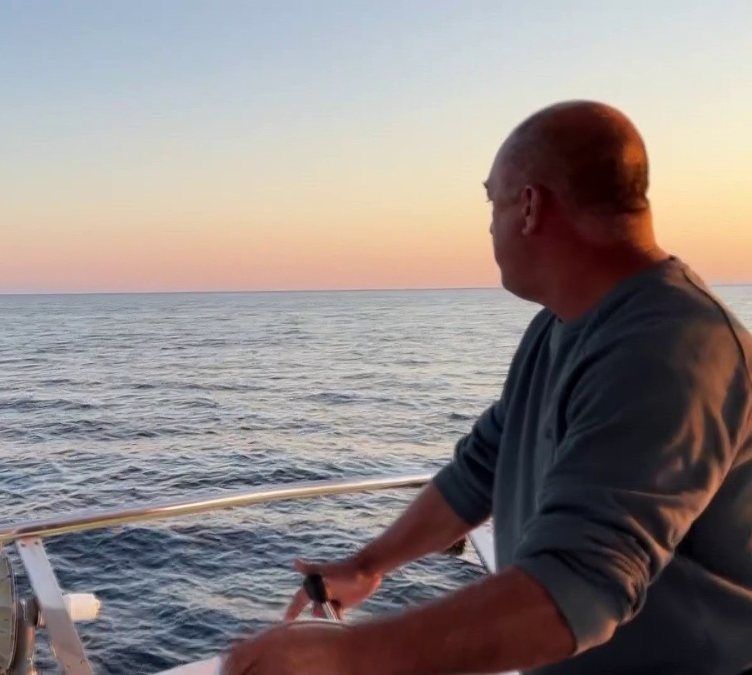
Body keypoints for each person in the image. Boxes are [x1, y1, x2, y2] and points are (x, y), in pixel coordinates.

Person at [222, 101, 752, 674]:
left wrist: (344, 656)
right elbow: (480, 470)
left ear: (529, 206)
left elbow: (580, 585)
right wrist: (368, 564)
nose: (490, 226)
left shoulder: (670, 349)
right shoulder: (559, 324)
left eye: (491, 203)